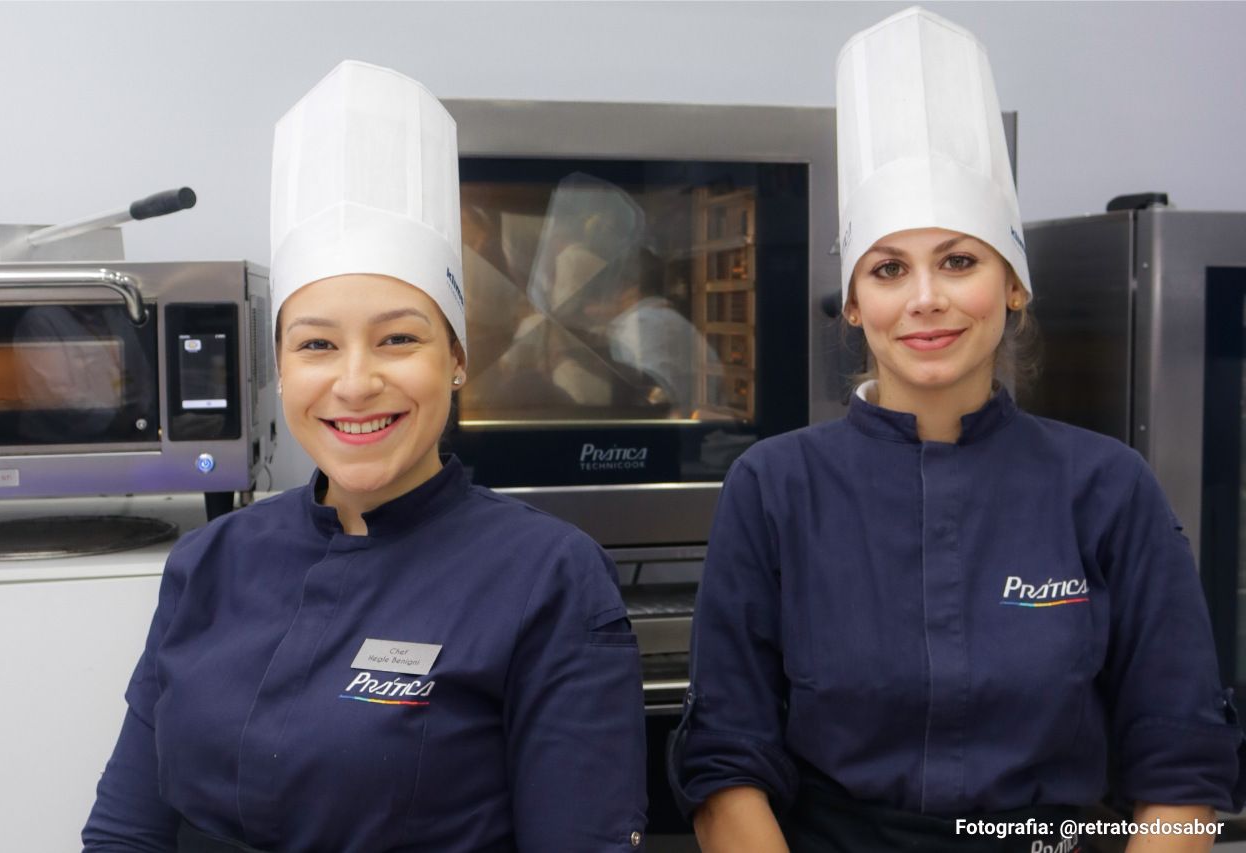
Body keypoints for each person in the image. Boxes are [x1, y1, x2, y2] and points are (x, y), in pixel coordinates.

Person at [669, 8, 1245, 852]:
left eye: (960, 261)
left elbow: (1181, 764)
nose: (926, 298)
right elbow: (727, 761)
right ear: (856, 302)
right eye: (891, 268)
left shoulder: (1106, 486)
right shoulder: (776, 484)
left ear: (1012, 286)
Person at [82, 61, 647, 853]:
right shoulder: (208, 562)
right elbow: (125, 832)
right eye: (316, 344)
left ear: (455, 357)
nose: (355, 381)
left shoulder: (547, 577)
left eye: (397, 339)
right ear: (281, 367)